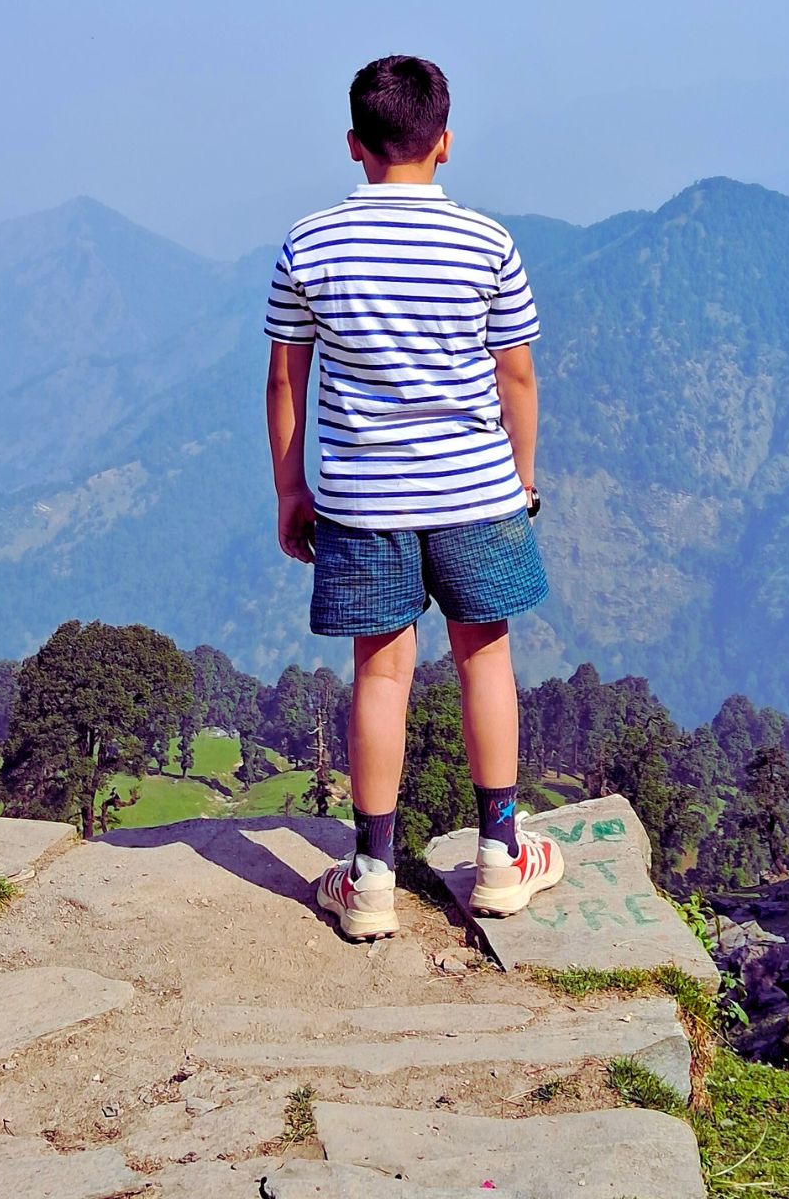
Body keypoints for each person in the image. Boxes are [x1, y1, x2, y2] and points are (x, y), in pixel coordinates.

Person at [264, 54, 563, 939]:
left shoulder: (307, 245)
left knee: (379, 675)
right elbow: (517, 375)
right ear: (445, 143)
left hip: (362, 501)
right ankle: (503, 859)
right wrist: (521, 479)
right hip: (476, 491)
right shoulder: (488, 243)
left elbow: (288, 381)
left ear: (355, 145)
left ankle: (369, 879)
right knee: (485, 661)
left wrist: (292, 488)